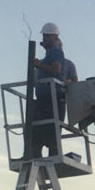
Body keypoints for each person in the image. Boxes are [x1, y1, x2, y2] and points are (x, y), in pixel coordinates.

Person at [27, 22, 66, 157]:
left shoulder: (56, 51)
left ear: (54, 37)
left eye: (46, 36)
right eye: (44, 36)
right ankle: (35, 153)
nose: (44, 39)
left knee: (43, 128)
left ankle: (34, 153)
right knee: (41, 129)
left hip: (50, 97)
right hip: (46, 96)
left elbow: (56, 69)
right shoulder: (51, 53)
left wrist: (40, 65)